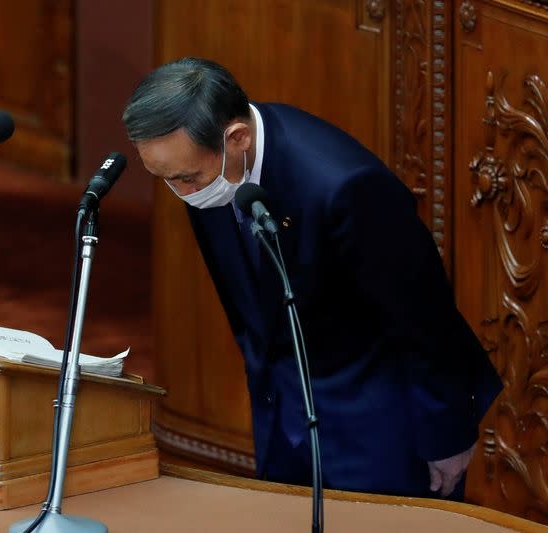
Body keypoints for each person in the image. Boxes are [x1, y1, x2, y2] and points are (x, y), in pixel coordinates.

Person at [122, 57, 502, 499]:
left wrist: (447, 434)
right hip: (283, 415)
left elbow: (424, 320)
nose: (182, 193)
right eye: (167, 180)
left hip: (381, 425)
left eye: (186, 178)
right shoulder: (205, 173)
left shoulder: (346, 188)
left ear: (237, 138)